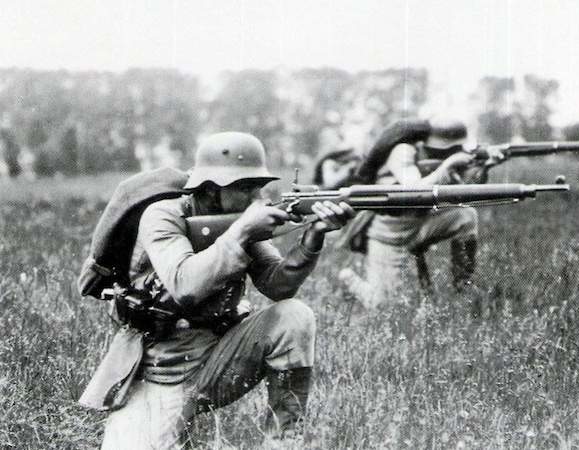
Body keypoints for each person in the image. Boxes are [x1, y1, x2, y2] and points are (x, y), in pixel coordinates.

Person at [79, 132, 355, 449]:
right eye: (243, 188)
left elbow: (278, 286)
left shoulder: (239, 223)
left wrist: (314, 238)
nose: (256, 198)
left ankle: (285, 440)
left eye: (257, 187)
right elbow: (184, 285)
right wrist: (241, 232)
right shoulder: (163, 216)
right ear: (210, 189)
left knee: (294, 317)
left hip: (219, 358)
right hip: (159, 370)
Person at [338, 117, 503, 309]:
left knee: (466, 216)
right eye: (447, 150)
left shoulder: (442, 159)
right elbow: (414, 191)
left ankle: (463, 284)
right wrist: (447, 166)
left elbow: (464, 191)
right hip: (390, 236)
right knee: (383, 305)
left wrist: (484, 167)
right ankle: (348, 281)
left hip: (421, 225)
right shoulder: (403, 152)